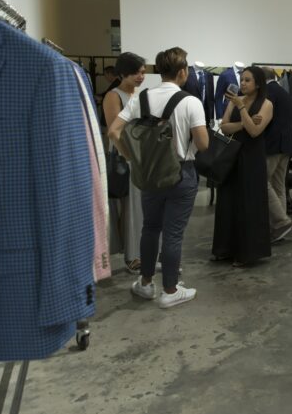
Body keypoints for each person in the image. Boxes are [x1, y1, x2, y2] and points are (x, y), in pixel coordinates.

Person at [109, 47, 209, 308]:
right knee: (173, 233)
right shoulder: (190, 102)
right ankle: (170, 290)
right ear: (182, 72)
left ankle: (145, 284)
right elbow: (203, 143)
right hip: (181, 172)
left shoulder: (141, 98)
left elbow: (114, 131)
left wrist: (131, 158)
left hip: (149, 172)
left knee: (150, 228)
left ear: (158, 71)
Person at [212, 66, 273, 265]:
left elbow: (255, 131)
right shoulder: (235, 100)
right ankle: (225, 249)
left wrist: (241, 109)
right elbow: (224, 127)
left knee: (249, 203)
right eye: (242, 79)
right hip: (232, 156)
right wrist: (243, 123)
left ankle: (247, 253)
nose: (243, 83)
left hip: (252, 158)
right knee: (228, 201)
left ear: (258, 83)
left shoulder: (266, 104)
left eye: (248, 80)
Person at [103, 52, 146, 273]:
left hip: (139, 158)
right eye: (135, 73)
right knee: (128, 208)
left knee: (137, 208)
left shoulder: (138, 95)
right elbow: (114, 132)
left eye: (142, 72)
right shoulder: (113, 96)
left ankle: (137, 253)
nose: (141, 76)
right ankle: (132, 257)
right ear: (123, 73)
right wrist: (128, 156)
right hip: (124, 158)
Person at [262, 67, 292, 242]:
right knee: (278, 185)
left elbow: (265, 120)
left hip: (272, 145)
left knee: (262, 182)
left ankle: (282, 221)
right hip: (286, 144)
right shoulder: (284, 92)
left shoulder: (268, 93)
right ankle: (280, 228)